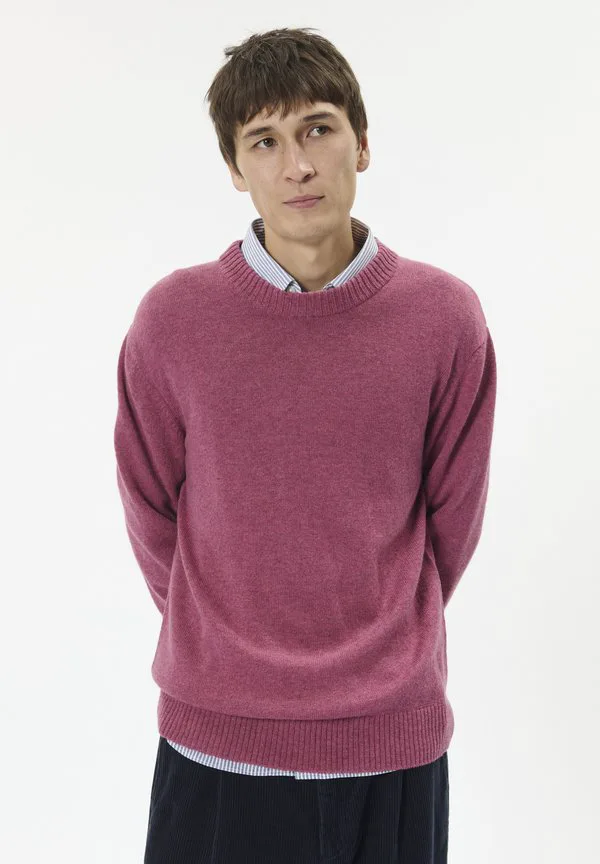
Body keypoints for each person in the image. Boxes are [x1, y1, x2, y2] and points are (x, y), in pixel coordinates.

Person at [113, 25, 497, 864]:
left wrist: (383, 642)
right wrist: (221, 634)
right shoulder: (174, 321)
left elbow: (452, 523)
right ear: (235, 168)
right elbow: (149, 506)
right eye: (265, 140)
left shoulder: (444, 320)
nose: (296, 165)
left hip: (389, 741)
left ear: (362, 144)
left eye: (317, 129)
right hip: (216, 742)